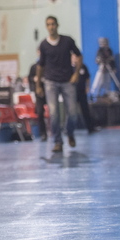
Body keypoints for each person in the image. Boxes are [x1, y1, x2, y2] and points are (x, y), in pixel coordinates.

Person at [35, 16, 82, 153]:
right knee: (54, 113)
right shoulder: (44, 45)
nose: (51, 27)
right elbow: (40, 66)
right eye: (48, 24)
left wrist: (76, 74)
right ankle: (57, 142)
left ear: (57, 25)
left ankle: (69, 132)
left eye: (53, 24)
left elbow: (79, 56)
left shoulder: (67, 41)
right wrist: (38, 85)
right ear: (46, 27)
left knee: (73, 113)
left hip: (67, 81)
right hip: (51, 82)